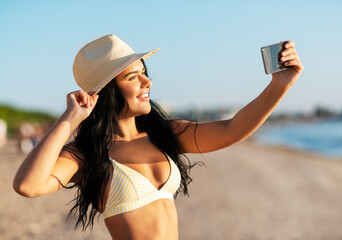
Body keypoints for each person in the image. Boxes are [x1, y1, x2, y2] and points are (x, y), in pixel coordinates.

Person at [13, 34, 303, 239]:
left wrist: (280, 85)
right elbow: (28, 185)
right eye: (132, 77)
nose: (147, 82)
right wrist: (69, 120)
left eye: (144, 73)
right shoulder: (86, 155)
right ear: (107, 93)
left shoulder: (167, 133)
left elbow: (232, 130)